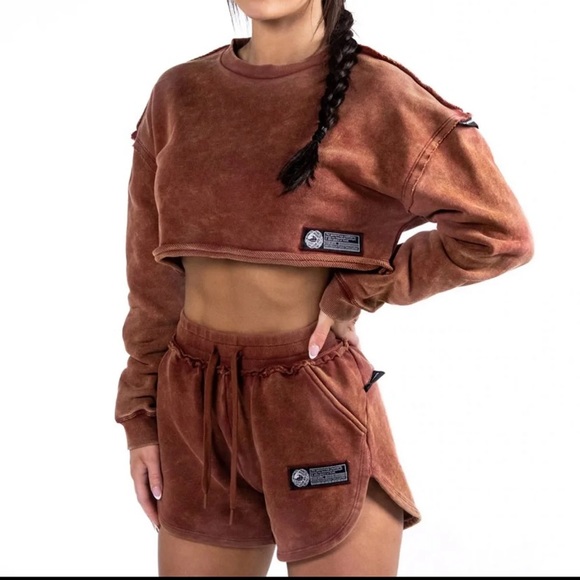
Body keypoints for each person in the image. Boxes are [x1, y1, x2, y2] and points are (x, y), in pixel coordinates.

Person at [115, 0, 534, 576]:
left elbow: (498, 234)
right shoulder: (178, 95)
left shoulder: (382, 95)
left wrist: (360, 289)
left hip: (312, 402)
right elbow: (151, 280)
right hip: (193, 407)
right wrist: (140, 414)